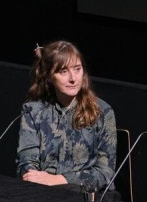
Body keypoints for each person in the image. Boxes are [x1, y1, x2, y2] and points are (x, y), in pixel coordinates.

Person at [16, 40, 117, 190]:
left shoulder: (102, 111)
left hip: (87, 197)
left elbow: (105, 173)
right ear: (49, 76)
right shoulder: (33, 111)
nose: (73, 78)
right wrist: (37, 179)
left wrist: (60, 179)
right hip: (43, 194)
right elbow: (26, 164)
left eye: (77, 69)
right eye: (63, 71)